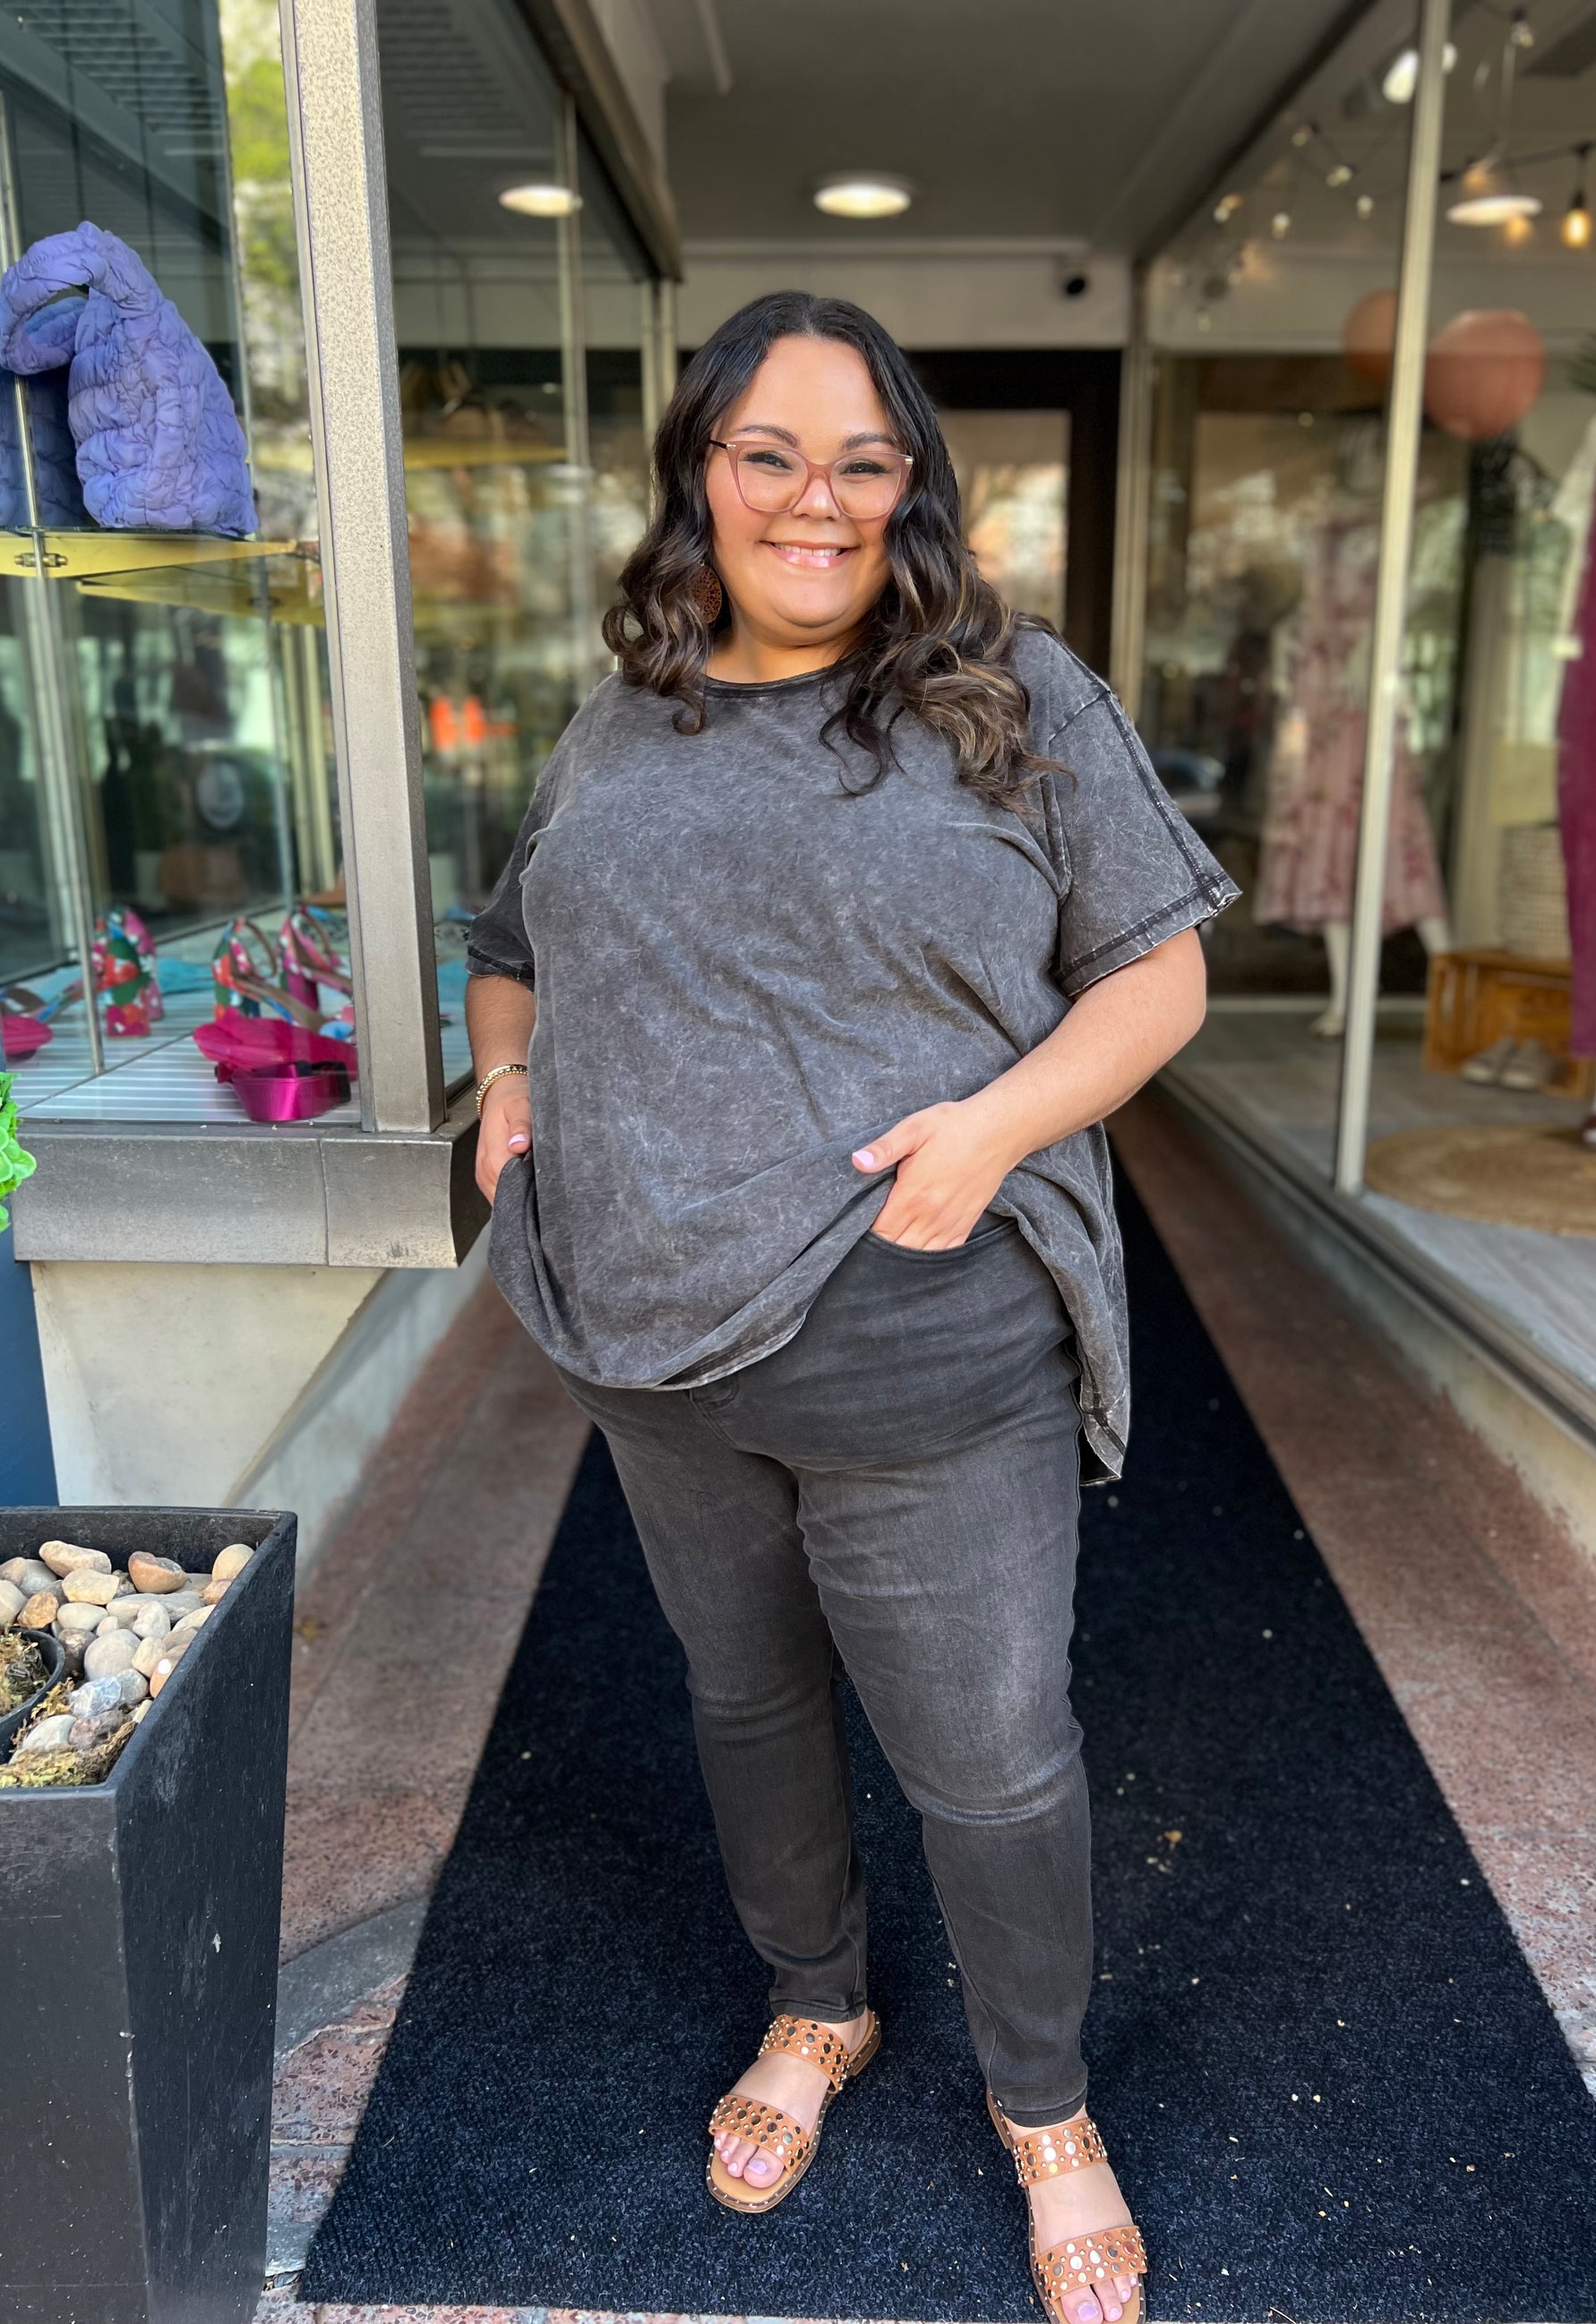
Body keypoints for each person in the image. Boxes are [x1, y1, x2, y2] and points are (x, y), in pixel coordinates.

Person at [466, 290, 1234, 2324]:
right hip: (649, 1338)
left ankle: (1046, 2109)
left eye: (860, 460)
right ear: (699, 478)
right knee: (745, 1699)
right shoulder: (622, 712)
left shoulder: (1009, 693)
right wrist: (513, 1075)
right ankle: (818, 2002)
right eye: (769, 455)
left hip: (927, 1335)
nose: (814, 500)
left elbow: (1157, 974)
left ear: (911, 488)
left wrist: (994, 1130)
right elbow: (509, 933)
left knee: (990, 1757)